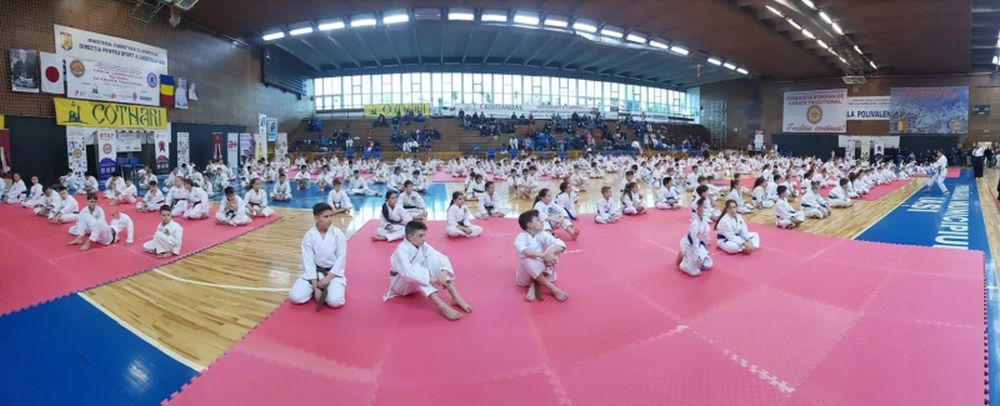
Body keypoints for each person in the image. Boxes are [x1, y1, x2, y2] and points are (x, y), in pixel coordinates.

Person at [384, 220, 472, 320]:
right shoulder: (401, 251)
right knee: (418, 271)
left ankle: (455, 297)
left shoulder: (422, 245)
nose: (424, 239)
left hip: (415, 284)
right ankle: (442, 306)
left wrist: (443, 272)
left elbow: (440, 257)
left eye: (424, 235)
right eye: (420, 236)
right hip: (401, 286)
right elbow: (408, 274)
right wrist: (433, 279)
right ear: (409, 237)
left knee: (434, 259)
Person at [289, 202, 348, 310]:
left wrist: (327, 279)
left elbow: (341, 258)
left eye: (331, 216)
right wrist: (316, 286)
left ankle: (330, 288)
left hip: (332, 273)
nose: (329, 219)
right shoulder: (309, 236)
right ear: (316, 217)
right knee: (295, 297)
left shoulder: (338, 234)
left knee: (334, 302)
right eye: (325, 216)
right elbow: (308, 262)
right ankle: (316, 290)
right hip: (313, 274)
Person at [514, 210, 569, 302]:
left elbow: (561, 244)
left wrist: (550, 252)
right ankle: (553, 289)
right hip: (526, 275)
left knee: (554, 251)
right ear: (530, 225)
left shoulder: (542, 234)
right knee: (528, 260)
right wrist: (543, 255)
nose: (542, 222)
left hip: (542, 269)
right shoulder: (521, 237)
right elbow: (525, 251)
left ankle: (533, 287)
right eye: (538, 220)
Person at [676, 197, 713, 276]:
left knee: (709, 265)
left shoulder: (704, 221)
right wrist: (697, 258)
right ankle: (682, 258)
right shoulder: (695, 224)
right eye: (704, 207)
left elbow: (705, 236)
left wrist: (706, 246)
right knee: (694, 272)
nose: (706, 209)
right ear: (698, 209)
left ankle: (689, 258)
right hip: (690, 245)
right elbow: (694, 242)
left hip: (699, 244)